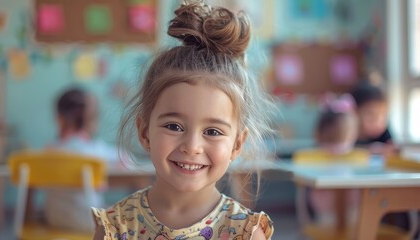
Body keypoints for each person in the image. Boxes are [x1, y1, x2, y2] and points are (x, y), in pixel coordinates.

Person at [91, 1, 277, 239]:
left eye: (212, 131)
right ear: (145, 132)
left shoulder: (245, 232)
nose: (192, 146)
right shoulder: (115, 226)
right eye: (174, 126)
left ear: (237, 144)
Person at [43, 87, 120, 232]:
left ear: (59, 117)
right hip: (90, 224)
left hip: (54, 220)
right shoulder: (95, 151)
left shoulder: (49, 150)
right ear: (90, 118)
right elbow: (126, 160)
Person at [307, 94, 364, 226]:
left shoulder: (313, 156)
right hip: (352, 204)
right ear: (351, 132)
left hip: (322, 206)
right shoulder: (357, 156)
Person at [350, 81, 396, 155]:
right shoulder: (346, 132)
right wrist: (367, 150)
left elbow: (392, 149)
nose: (378, 122)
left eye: (383, 116)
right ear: (354, 113)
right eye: (371, 115)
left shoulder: (384, 133)